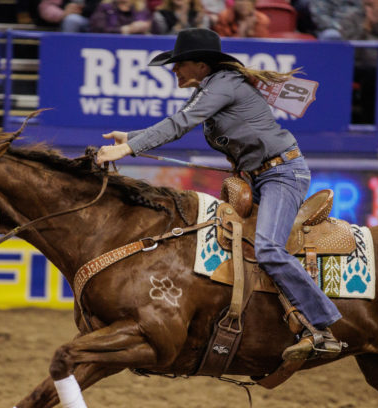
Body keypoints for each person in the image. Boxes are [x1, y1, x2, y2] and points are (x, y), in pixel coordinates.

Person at [95, 28, 344, 360]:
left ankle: (322, 321)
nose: (174, 71)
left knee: (268, 248)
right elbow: (179, 121)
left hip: (281, 174)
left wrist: (128, 147)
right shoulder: (214, 85)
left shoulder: (223, 84)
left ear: (200, 65)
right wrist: (132, 136)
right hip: (261, 176)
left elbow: (180, 123)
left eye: (179, 64)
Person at [38, 0, 103, 31]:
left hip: (98, 19)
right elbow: (46, 6)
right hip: (65, 19)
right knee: (72, 20)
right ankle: (67, 50)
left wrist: (83, 9)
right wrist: (63, 14)